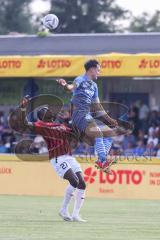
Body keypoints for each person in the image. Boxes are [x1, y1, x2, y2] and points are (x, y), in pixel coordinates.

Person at [19, 96, 87, 222]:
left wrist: (73, 120)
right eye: (46, 110)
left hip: (69, 156)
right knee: (74, 181)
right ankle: (63, 209)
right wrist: (23, 108)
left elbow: (77, 136)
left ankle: (76, 214)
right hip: (58, 158)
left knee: (82, 183)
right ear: (42, 116)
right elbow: (24, 124)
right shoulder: (41, 125)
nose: (49, 111)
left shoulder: (60, 125)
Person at [57, 59, 121, 172]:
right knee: (98, 133)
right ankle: (103, 161)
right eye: (98, 70)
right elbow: (71, 88)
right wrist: (65, 85)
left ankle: (101, 161)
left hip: (87, 115)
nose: (99, 72)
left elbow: (98, 106)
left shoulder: (94, 86)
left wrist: (109, 120)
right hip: (79, 114)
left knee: (109, 134)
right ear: (91, 69)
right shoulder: (80, 79)